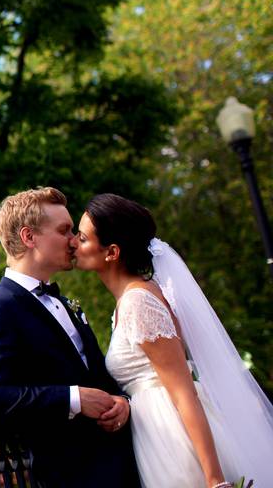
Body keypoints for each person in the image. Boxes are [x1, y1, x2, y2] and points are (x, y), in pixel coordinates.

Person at [74, 193, 273, 488]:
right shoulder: (132, 300)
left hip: (174, 438)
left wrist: (215, 480)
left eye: (82, 237)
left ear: (111, 252)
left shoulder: (138, 302)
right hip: (154, 432)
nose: (73, 243)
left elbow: (183, 392)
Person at [0, 187, 139, 488]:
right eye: (64, 230)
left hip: (121, 468)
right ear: (29, 237)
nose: (75, 240)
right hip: (67, 475)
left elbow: (101, 380)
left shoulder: (67, 305)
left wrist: (123, 403)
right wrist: (73, 398)